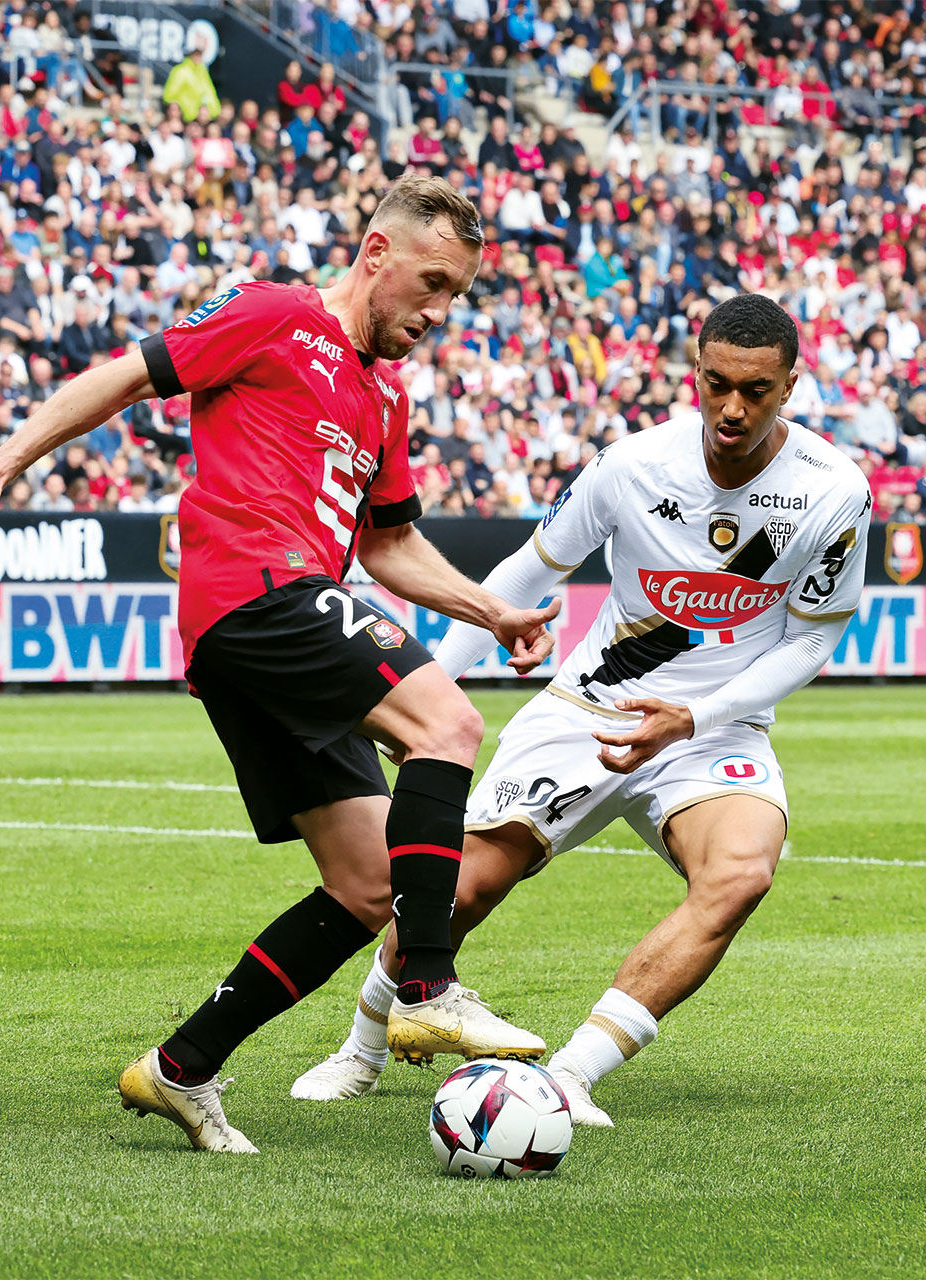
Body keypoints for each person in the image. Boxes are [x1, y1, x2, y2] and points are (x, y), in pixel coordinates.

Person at [0, 175, 559, 1153]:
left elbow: (385, 548)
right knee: (449, 724)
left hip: (285, 615)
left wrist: (490, 607)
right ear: (375, 255)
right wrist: (6, 463)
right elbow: (126, 374)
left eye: (454, 295)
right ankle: (425, 986)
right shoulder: (272, 314)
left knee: (364, 881)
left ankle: (180, 1065)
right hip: (255, 593)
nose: (436, 311)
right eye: (429, 283)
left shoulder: (383, 396)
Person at [293, 295, 872, 1127]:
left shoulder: (833, 491)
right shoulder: (630, 465)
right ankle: (362, 1050)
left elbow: (810, 643)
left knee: (741, 874)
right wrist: (429, 693)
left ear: (791, 386)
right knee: (459, 892)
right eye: (716, 385)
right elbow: (527, 575)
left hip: (714, 729)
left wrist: (696, 718)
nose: (733, 408)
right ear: (695, 373)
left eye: (756, 390)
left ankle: (569, 1077)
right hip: (586, 709)